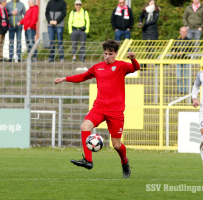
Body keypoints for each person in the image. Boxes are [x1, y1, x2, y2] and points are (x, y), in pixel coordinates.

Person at [54, 39, 140, 178]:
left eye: (110, 54)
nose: (107, 56)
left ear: (116, 54)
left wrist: (133, 59)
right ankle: (88, 161)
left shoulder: (122, 66)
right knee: (84, 126)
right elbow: (82, 77)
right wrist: (64, 78)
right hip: (99, 108)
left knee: (117, 145)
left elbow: (136, 68)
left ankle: (124, 162)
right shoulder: (97, 67)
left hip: (115, 111)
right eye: (105, 53)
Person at [172, 27, 192, 94]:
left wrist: (183, 52)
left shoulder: (189, 41)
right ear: (180, 32)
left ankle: (186, 91)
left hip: (186, 61)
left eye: (185, 32)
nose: (184, 33)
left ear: (187, 32)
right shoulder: (177, 40)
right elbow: (173, 49)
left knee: (186, 77)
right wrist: (173, 51)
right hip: (179, 60)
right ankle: (180, 91)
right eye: (182, 32)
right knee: (178, 77)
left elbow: (191, 50)